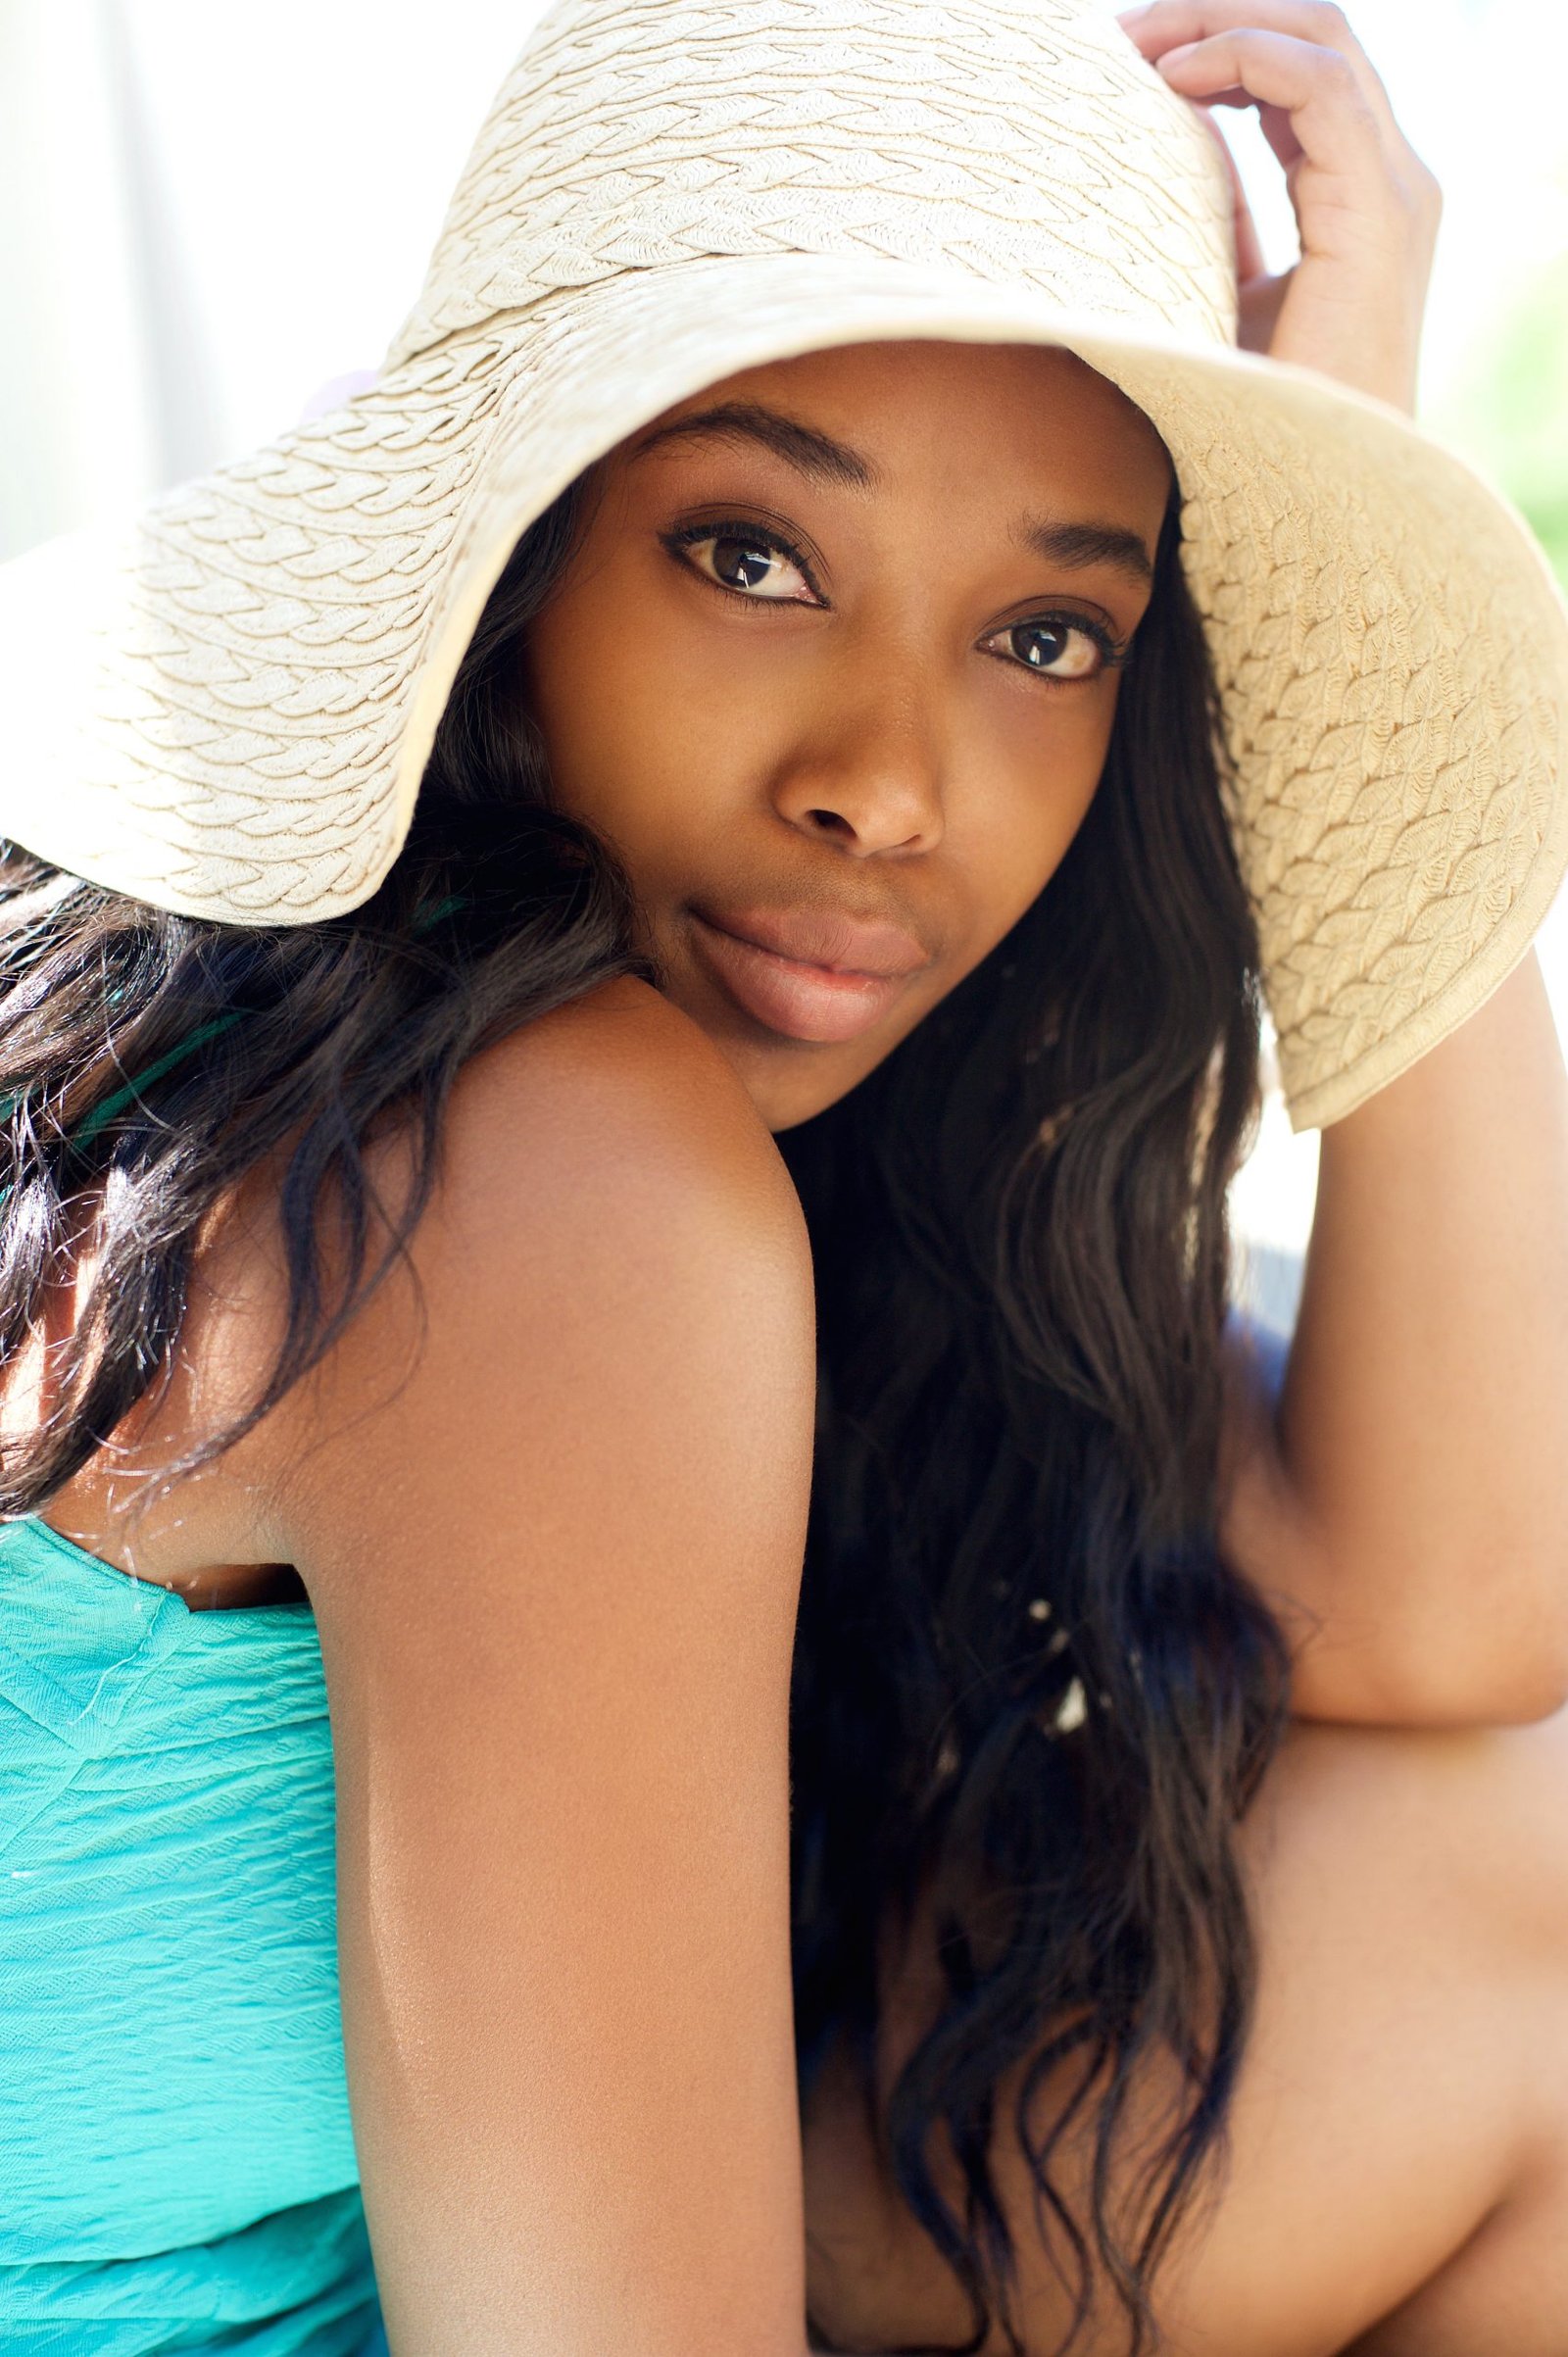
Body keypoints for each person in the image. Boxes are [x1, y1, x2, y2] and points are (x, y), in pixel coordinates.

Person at [1, 1, 1566, 2352]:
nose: (890, 783)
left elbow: (1444, 1599)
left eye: (1047, 632)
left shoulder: (415, 1060)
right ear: (508, 557)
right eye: (749, 557)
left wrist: (1336, 577)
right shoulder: (546, 1179)